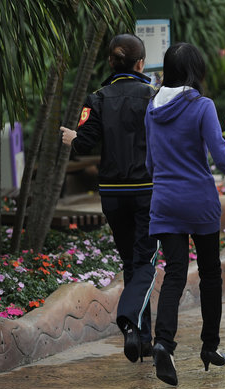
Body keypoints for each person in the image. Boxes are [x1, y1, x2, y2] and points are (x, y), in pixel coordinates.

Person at [143, 43, 225, 386]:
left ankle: (163, 343)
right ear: (196, 70)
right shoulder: (202, 105)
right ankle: (210, 347)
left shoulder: (152, 108)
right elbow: (220, 156)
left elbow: (150, 162)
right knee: (210, 274)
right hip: (198, 200)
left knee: (175, 274)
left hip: (164, 201)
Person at [61, 34, 157, 364]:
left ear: (111, 63)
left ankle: (142, 338)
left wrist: (73, 138)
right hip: (146, 192)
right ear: (140, 64)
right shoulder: (153, 97)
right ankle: (131, 321)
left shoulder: (97, 98)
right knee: (145, 261)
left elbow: (84, 143)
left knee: (132, 262)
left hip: (113, 195)